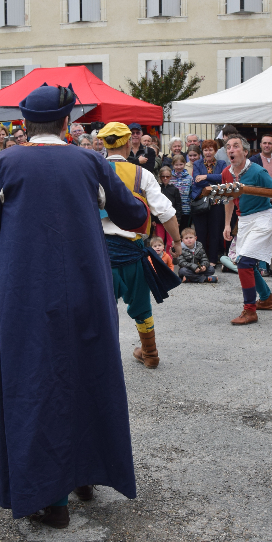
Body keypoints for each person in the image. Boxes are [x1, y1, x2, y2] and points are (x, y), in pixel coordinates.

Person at [0, 85, 150, 529]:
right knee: (89, 374)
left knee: (35, 382)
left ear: (25, 123)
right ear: (67, 122)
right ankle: (84, 474)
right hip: (87, 286)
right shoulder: (90, 161)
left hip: (26, 293)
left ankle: (51, 497)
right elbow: (134, 217)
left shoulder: (2, 162)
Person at [95, 122, 181, 367]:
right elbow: (166, 213)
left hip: (100, 255)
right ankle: (150, 353)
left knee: (101, 309)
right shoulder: (142, 174)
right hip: (133, 253)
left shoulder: (92, 173)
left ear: (103, 142)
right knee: (142, 307)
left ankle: (102, 360)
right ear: (126, 143)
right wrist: (176, 241)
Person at [222, 133, 272, 325]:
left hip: (262, 218)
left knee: (245, 263)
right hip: (244, 221)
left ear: (246, 151)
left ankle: (250, 310)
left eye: (236, 146)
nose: (231, 149)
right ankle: (266, 298)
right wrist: (226, 224)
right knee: (244, 262)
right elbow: (229, 199)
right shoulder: (226, 173)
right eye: (228, 147)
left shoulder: (257, 172)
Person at [190, 140, 228, 263]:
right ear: (202, 151)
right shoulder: (197, 164)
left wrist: (206, 176)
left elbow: (223, 178)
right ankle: (202, 259)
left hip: (217, 202)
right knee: (201, 232)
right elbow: (197, 180)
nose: (208, 152)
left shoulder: (222, 163)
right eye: (206, 150)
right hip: (201, 201)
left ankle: (212, 259)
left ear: (215, 151)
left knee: (215, 232)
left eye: (211, 149)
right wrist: (213, 181)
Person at [170, 153, 193, 230]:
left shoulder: (189, 178)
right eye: (176, 165)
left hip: (186, 209)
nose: (179, 167)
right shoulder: (170, 178)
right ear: (173, 165)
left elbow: (191, 192)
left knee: (185, 230)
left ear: (185, 164)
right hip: (173, 210)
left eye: (181, 164)